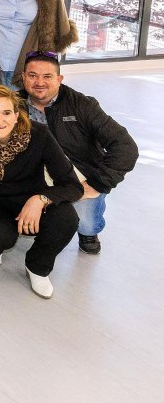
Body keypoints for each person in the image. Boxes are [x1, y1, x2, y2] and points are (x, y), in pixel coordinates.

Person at [0, 85, 81, 298]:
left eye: (6, 112)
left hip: (29, 197)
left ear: (17, 115)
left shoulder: (39, 135)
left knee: (67, 219)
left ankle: (37, 267)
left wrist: (41, 199)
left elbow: (72, 185)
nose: (0, 120)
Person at [20, 51, 138, 255]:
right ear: (23, 77)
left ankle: (89, 229)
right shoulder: (12, 104)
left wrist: (97, 183)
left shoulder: (82, 104)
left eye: (47, 76)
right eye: (32, 75)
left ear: (59, 79)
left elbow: (125, 146)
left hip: (76, 174)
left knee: (85, 224)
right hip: (32, 172)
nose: (39, 82)